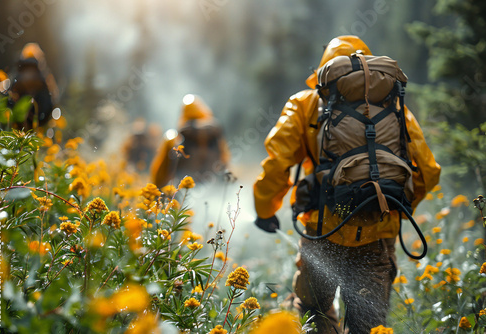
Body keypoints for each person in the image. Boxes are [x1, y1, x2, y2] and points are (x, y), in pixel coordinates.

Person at [253, 36, 441, 333]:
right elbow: (428, 171)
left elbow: (278, 162)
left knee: (314, 313)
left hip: (323, 232)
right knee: (367, 327)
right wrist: (392, 209)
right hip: (378, 237)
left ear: (325, 73)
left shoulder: (305, 103)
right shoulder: (393, 107)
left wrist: (265, 208)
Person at [150, 94, 231, 188]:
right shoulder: (214, 136)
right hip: (211, 191)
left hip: (182, 193)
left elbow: (160, 172)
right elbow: (225, 161)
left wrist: (155, 194)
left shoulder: (173, 138)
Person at [9, 42, 59, 129]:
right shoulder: (43, 76)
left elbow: (8, 97)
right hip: (36, 126)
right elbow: (52, 101)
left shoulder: (17, 73)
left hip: (16, 126)